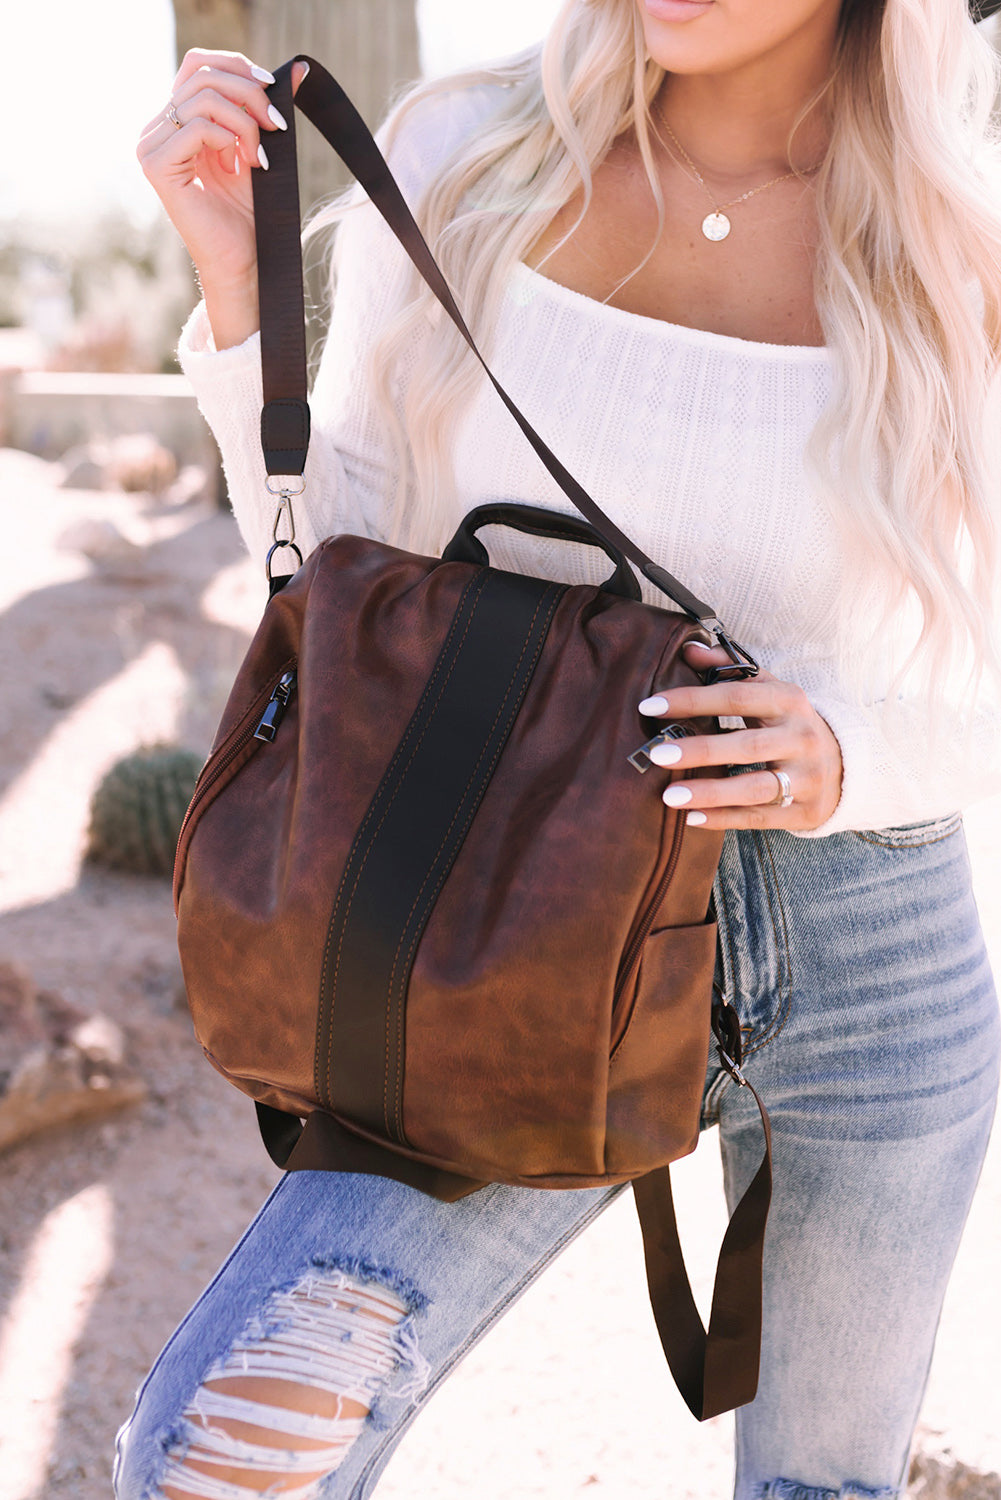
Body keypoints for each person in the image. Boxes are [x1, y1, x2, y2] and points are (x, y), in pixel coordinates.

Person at [121, 1, 1001, 1496]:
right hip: (506, 909)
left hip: (870, 950)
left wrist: (851, 748)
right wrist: (235, 291)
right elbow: (347, 578)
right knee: (217, 1461)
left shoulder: (957, 237)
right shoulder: (465, 153)